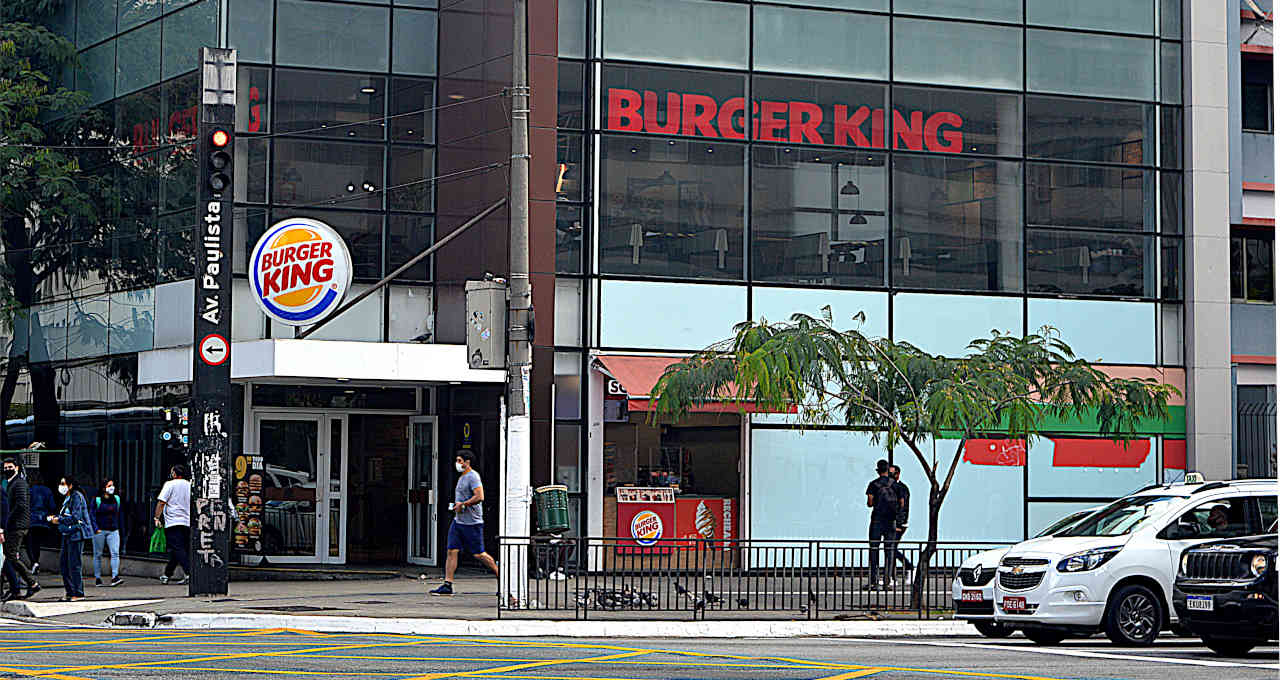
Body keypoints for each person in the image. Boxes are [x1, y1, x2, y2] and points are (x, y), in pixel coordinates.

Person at [430, 450, 499, 596]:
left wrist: (463, 504)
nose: (457, 463)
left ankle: (503, 578)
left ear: (467, 462)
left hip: (472, 523)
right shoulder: (461, 477)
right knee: (451, 550)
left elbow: (480, 496)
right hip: (458, 522)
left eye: (460, 460)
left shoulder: (473, 477)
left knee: (479, 554)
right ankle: (447, 584)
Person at [49, 475, 93, 601]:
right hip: (67, 533)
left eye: (63, 484)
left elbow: (76, 517)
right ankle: (70, 591)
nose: (61, 486)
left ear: (70, 485)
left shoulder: (76, 497)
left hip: (76, 534)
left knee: (74, 564)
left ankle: (78, 593)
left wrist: (59, 520)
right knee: (64, 564)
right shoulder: (67, 498)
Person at [1, 458, 39, 599]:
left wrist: (8, 520)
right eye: (5, 468)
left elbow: (21, 505)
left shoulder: (19, 483)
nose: (7, 470)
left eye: (10, 467)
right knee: (9, 555)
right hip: (15, 524)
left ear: (16, 467)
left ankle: (32, 582)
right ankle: (18, 587)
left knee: (11, 556)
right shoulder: (12, 483)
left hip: (17, 525)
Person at [864, 459, 901, 591]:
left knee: (874, 549)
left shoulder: (873, 484)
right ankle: (887, 581)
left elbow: (869, 502)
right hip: (891, 521)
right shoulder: (895, 485)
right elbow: (901, 503)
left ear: (878, 471)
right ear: (887, 470)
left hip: (877, 520)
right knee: (889, 550)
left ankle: (874, 581)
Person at [154, 464, 191, 585]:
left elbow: (161, 502)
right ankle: (167, 574)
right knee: (179, 549)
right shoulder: (189, 485)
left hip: (173, 521)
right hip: (187, 521)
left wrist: (156, 517)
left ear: (174, 474)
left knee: (177, 548)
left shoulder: (169, 484)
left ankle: (189, 573)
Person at [91, 478, 124, 587]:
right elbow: (92, 515)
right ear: (103, 488)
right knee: (98, 554)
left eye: (112, 485)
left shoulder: (116, 499)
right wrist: (96, 529)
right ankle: (98, 578)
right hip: (100, 530)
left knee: (115, 553)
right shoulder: (97, 500)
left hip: (113, 530)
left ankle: (115, 576)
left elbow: (119, 514)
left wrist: (119, 528)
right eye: (109, 485)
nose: (112, 488)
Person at [889, 464, 914, 581]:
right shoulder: (890, 487)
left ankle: (908, 567)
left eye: (892, 474)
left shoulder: (901, 488)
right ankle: (892, 576)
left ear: (898, 475)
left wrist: (899, 523)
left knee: (891, 548)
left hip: (899, 524)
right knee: (890, 548)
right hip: (891, 523)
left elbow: (903, 507)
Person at [27, 470, 55, 575]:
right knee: (37, 543)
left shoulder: (30, 490)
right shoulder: (47, 491)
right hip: (43, 520)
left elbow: (26, 505)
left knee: (30, 543)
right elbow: (52, 506)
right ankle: (35, 562)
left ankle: (34, 562)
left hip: (31, 520)